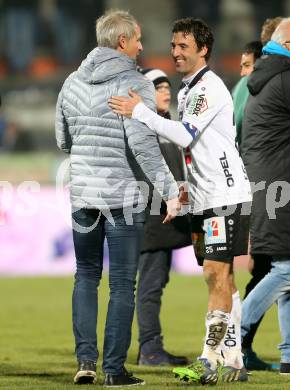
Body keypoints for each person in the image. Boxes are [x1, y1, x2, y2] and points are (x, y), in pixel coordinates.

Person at [109, 17, 252, 385]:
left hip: (224, 196)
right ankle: (234, 360)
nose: (175, 53)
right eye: (173, 46)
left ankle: (209, 359)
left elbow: (186, 136)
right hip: (205, 198)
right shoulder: (189, 90)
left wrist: (140, 111)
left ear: (203, 49)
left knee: (214, 274)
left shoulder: (207, 88)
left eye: (183, 46)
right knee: (224, 278)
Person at [55, 9, 181, 387]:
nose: (143, 46)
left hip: (83, 197)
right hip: (123, 198)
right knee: (123, 283)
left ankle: (86, 362)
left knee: (86, 276)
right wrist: (172, 191)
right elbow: (144, 149)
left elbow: (63, 141)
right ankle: (113, 369)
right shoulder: (134, 85)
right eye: (138, 39)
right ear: (122, 41)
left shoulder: (71, 82)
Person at [240, 16, 290, 375]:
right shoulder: (287, 78)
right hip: (282, 187)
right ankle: (230, 332)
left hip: (274, 186)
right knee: (289, 268)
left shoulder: (271, 75)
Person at [233, 18, 282, 372]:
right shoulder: (253, 86)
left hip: (271, 187)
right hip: (270, 189)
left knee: (280, 268)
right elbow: (238, 140)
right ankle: (237, 339)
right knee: (280, 268)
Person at [135, 68, 191, 367]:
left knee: (158, 280)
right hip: (152, 217)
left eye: (168, 86)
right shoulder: (141, 126)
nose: (166, 91)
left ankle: (151, 347)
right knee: (151, 284)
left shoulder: (167, 125)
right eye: (158, 87)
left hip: (172, 216)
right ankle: (150, 350)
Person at [232, 41, 263, 148]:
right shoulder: (243, 85)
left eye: (247, 65)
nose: (242, 73)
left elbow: (236, 123)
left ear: (260, 63)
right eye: (242, 66)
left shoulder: (246, 83)